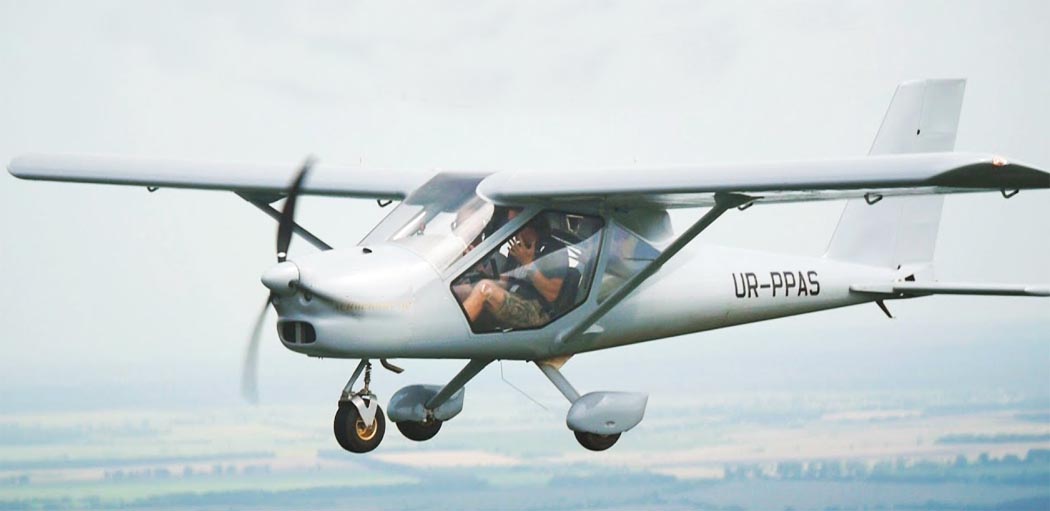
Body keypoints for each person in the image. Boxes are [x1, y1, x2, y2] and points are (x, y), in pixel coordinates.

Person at [460, 215, 569, 330]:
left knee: (484, 289)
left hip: (537, 311)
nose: (510, 227)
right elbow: (504, 282)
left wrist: (528, 264)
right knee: (460, 291)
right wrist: (481, 269)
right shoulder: (518, 248)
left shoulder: (554, 248)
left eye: (513, 222)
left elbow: (551, 294)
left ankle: (453, 336)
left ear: (529, 223)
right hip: (512, 296)